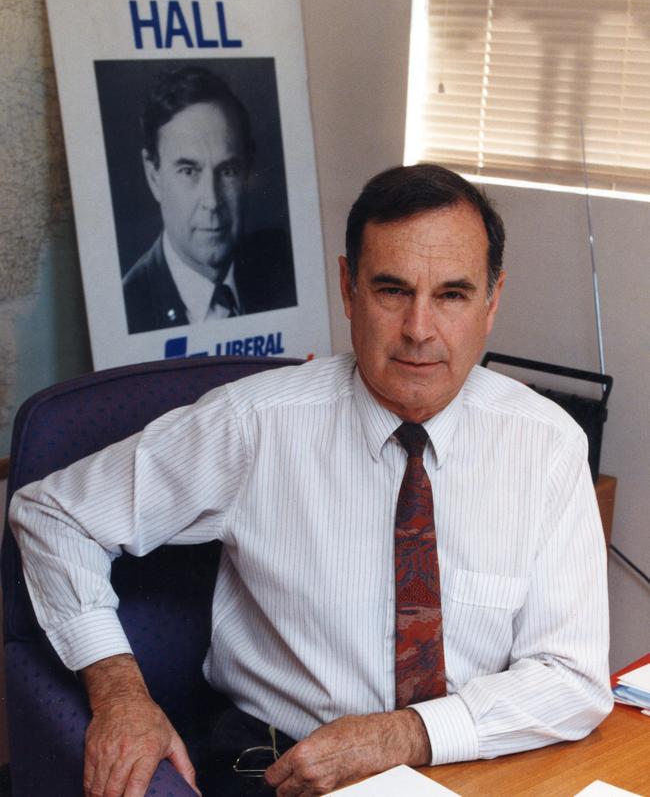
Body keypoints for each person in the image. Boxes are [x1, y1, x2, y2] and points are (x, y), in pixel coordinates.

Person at [10, 164, 612, 797]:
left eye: (452, 295)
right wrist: (121, 695)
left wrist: (402, 734)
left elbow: (571, 677)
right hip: (284, 765)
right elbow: (54, 514)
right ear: (348, 289)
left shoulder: (546, 444)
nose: (418, 329)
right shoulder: (254, 425)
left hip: (477, 760)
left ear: (492, 302)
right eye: (391, 290)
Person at [122, 65, 297, 334]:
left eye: (227, 171)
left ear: (248, 170)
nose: (213, 201)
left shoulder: (284, 268)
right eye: (188, 171)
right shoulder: (129, 308)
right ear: (153, 174)